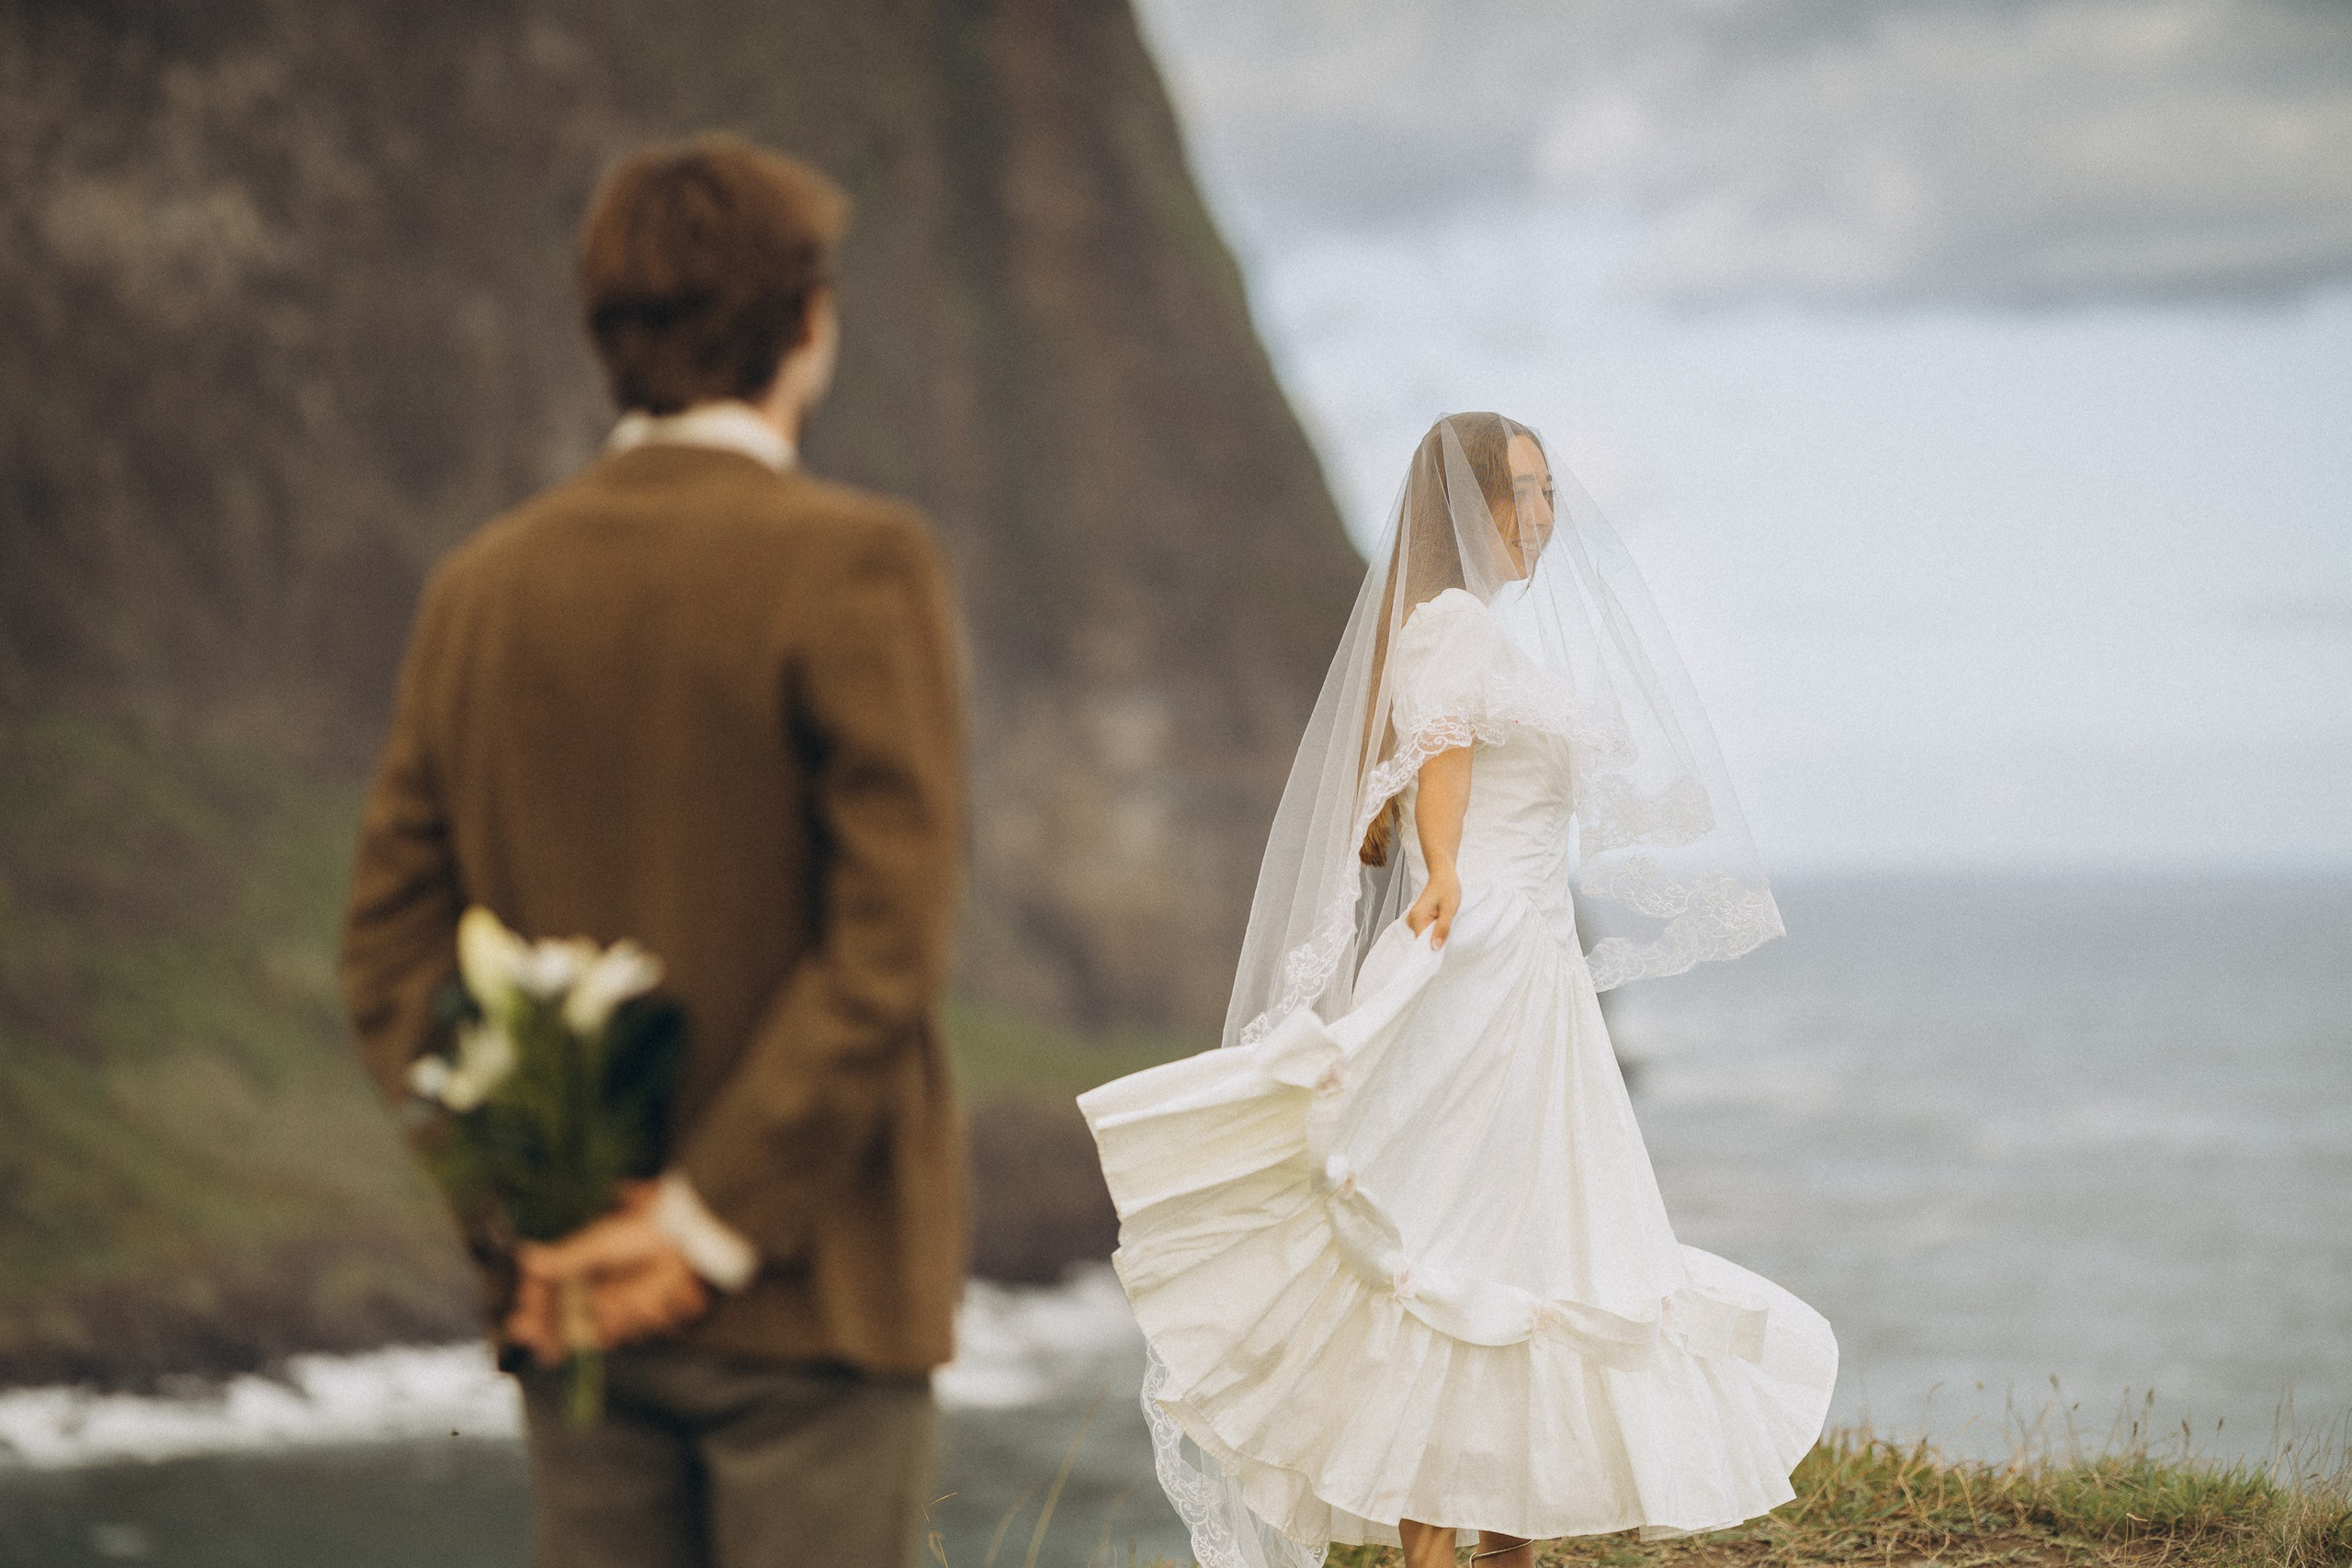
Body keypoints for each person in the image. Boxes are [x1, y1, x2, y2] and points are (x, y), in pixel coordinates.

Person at [341, 133, 967, 1568]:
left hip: (573, 1301)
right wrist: (699, 1223)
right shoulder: (860, 563)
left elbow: (385, 942)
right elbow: (891, 945)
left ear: (607, 331)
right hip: (815, 1294)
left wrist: (535, 1211)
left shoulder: (478, 591)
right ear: (806, 320)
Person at [1080, 413, 1837, 1568]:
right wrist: (1440, 872)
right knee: (1449, 1239)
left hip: (1538, 980)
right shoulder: (1448, 631)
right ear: (1466, 510)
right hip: (1481, 953)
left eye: (1544, 492)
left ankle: (1506, 1543)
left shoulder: (1488, 637)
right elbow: (1443, 763)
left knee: (1536, 1250)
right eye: (1518, 493)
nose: (1540, 515)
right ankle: (1435, 1546)